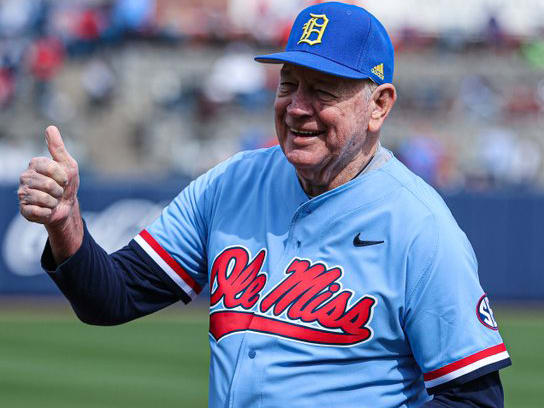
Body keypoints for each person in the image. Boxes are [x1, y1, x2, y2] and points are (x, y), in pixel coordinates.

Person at [18, 3, 511, 407]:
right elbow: (113, 297)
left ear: (378, 105)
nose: (297, 107)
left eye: (323, 90)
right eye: (288, 83)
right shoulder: (232, 183)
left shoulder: (421, 227)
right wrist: (65, 223)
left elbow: (474, 400)